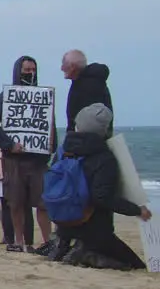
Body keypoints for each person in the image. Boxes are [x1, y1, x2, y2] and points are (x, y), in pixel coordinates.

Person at [55, 104, 151, 270]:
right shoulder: (104, 158)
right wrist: (136, 210)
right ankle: (87, 253)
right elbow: (101, 197)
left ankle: (66, 247)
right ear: (104, 130)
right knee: (135, 266)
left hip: (64, 225)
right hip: (94, 230)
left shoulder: (63, 151)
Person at [0, 55, 55, 252]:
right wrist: (9, 145)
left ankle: (47, 240)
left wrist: (51, 145)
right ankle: (19, 241)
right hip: (14, 160)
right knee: (15, 202)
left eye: (34, 70)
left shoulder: (43, 97)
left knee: (43, 202)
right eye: (27, 70)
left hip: (38, 161)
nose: (31, 74)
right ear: (18, 71)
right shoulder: (6, 97)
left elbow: (49, 125)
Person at [62, 50, 112, 133]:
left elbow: (88, 123)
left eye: (64, 64)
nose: (62, 68)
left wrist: (73, 139)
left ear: (72, 67)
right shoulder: (93, 82)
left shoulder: (86, 87)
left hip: (86, 142)